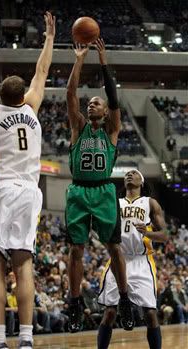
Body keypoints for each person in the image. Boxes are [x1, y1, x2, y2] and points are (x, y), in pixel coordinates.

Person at [0, 12, 55, 349]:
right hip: (29, 192)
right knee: (23, 263)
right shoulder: (32, 108)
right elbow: (42, 71)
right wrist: (49, 38)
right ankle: (26, 337)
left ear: (0, 96)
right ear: (21, 95)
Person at [66, 38, 133, 333]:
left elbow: (114, 97)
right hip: (79, 190)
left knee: (114, 247)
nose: (90, 103)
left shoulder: (113, 130)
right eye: (89, 102)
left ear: (105, 112)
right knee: (76, 249)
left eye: (97, 102)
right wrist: (79, 58)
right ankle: (76, 303)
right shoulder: (77, 126)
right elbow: (70, 92)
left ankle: (125, 297)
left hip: (105, 190)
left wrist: (103, 61)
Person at [97, 169, 168, 349]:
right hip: (117, 258)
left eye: (134, 173)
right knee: (110, 312)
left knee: (150, 313)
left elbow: (165, 235)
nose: (129, 175)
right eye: (127, 174)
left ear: (141, 182)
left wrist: (148, 233)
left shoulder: (150, 203)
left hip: (141, 260)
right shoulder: (114, 203)